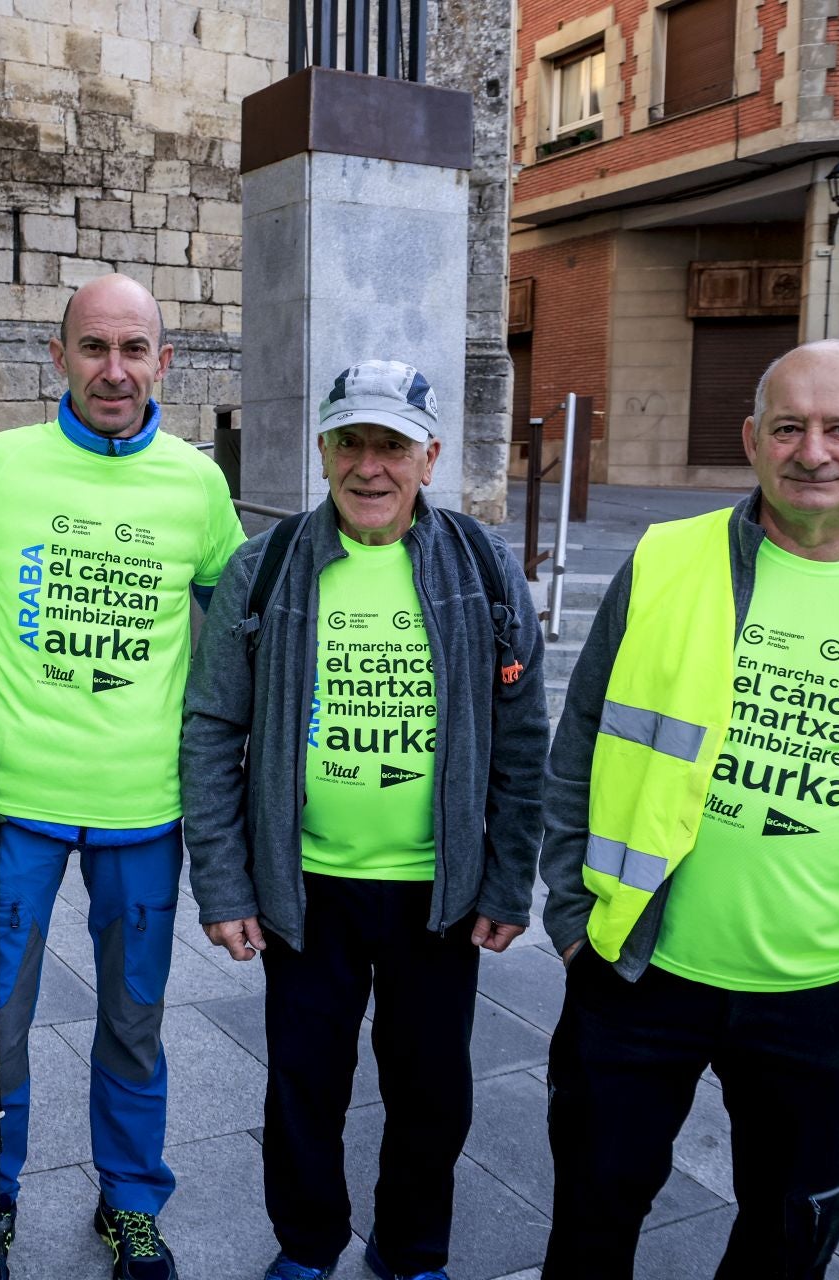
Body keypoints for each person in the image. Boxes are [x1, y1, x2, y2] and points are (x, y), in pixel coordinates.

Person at [539, 339, 839, 1279]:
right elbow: (581, 743)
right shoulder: (667, 561)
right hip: (638, 975)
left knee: (785, 1246)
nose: (813, 451)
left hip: (836, 999)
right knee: (592, 1221)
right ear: (752, 439)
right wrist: (570, 921)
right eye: (790, 427)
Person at [0, 273, 247, 1280]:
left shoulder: (196, 486)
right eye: (94, 347)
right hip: (13, 810)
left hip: (144, 813)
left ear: (164, 363)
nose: (114, 370)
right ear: (58, 356)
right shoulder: (1, 467)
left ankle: (130, 1200)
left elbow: (239, 624)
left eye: (134, 349)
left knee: (134, 1026)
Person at [181, 359, 547, 1280]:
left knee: (432, 1092)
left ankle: (410, 1248)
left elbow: (521, 739)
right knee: (305, 1087)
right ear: (323, 450)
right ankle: (308, 1244)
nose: (370, 466)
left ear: (430, 456)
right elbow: (211, 727)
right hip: (306, 888)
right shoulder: (265, 568)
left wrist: (509, 879)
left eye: (393, 445)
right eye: (351, 442)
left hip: (439, 893)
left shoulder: (482, 567)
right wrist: (224, 884)